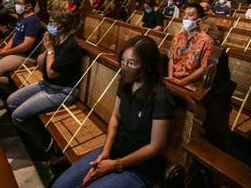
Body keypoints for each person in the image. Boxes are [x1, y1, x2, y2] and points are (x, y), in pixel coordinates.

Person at [53, 35, 173, 188]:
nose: (124, 66)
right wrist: (106, 151)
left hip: (139, 168)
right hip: (115, 151)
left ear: (146, 67)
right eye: (122, 60)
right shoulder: (126, 83)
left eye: (131, 63)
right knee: (62, 184)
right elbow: (115, 118)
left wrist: (116, 164)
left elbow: (156, 146)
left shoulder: (160, 97)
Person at [6, 9, 81, 152]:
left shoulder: (70, 47)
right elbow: (42, 65)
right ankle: (35, 127)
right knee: (11, 101)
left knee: (17, 116)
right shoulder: (58, 40)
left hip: (62, 91)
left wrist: (50, 49)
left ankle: (46, 141)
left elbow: (51, 73)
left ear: (62, 25)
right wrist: (48, 47)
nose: (49, 25)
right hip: (47, 84)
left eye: (53, 22)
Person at [0, 0, 42, 86]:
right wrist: (4, 50)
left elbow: (27, 45)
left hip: (24, 56)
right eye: (16, 3)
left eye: (18, 3)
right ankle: (7, 75)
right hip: (14, 51)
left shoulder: (33, 21)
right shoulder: (22, 17)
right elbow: (14, 37)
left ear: (28, 6)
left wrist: (7, 52)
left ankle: (16, 87)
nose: (16, 6)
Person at [168, 3, 214, 86]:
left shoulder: (206, 41)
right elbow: (171, 58)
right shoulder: (177, 35)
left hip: (191, 82)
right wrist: (170, 76)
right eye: (184, 14)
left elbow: (203, 68)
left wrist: (184, 81)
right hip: (173, 77)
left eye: (189, 15)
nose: (185, 17)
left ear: (199, 21)